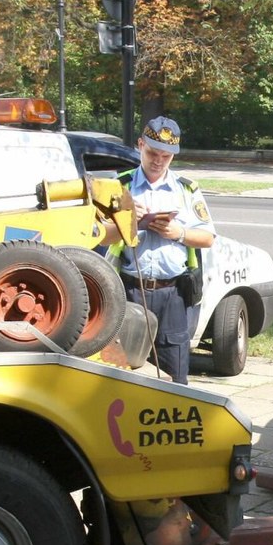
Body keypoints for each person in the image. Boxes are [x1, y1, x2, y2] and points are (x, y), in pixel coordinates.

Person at [101, 116, 216, 384]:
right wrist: (128, 222)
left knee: (175, 378)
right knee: (122, 372)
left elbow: (208, 237)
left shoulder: (186, 190)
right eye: (153, 153)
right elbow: (102, 236)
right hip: (129, 290)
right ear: (140, 145)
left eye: (166, 156)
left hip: (172, 294)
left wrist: (180, 233)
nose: (158, 161)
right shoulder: (121, 185)